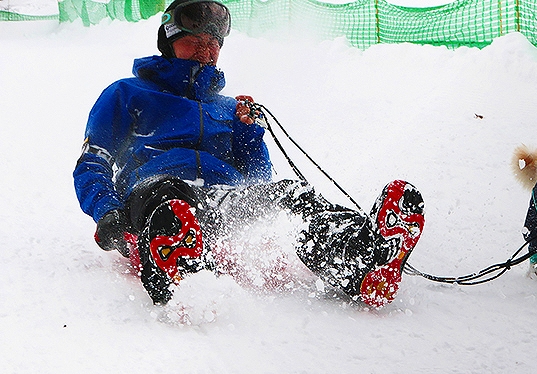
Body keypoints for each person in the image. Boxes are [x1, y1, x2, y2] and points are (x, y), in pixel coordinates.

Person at [73, 0, 425, 308]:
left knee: (291, 196)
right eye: (194, 40)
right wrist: (107, 213)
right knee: (165, 194)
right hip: (154, 193)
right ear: (169, 40)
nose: (204, 50)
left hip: (224, 202)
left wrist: (248, 137)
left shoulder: (229, 108)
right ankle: (180, 271)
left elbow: (259, 180)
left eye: (213, 43)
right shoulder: (127, 93)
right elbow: (93, 161)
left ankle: (359, 259)